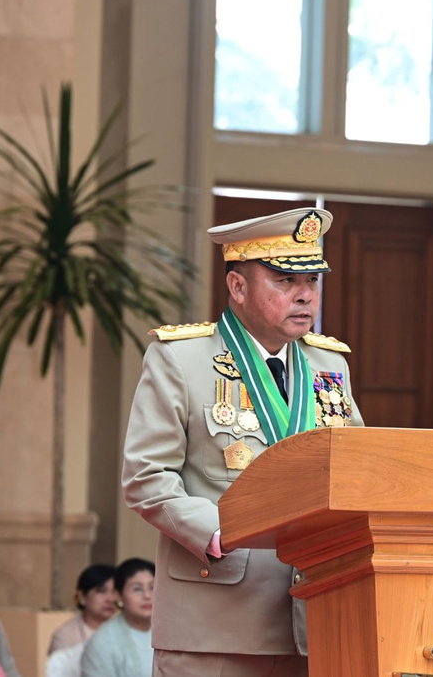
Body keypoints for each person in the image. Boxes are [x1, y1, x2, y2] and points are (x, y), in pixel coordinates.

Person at [122, 207, 363, 676]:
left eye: (311, 282)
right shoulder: (180, 359)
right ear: (237, 287)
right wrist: (223, 529)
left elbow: (356, 470)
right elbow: (146, 477)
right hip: (214, 622)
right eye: (284, 281)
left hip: (312, 619)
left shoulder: (330, 366)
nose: (304, 296)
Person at [79, 558, 155, 677]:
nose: (147, 595)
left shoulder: (172, 632)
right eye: (137, 589)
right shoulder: (102, 643)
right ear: (118, 596)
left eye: (153, 588)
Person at [47, 563, 118, 654]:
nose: (110, 599)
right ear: (82, 596)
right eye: (101, 591)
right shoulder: (65, 636)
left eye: (115, 592)